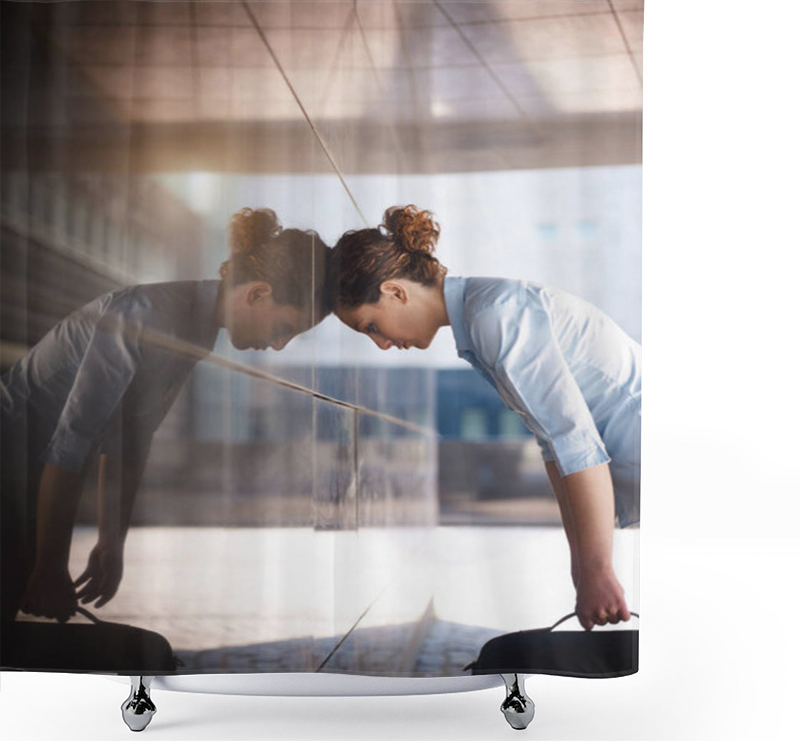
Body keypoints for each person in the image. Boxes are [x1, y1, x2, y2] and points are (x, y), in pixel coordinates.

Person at [1, 208, 332, 625]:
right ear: (257, 294)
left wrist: (112, 541)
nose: (280, 345)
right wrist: (51, 565)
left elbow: (131, 439)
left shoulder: (197, 326)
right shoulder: (145, 314)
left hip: (28, 473)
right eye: (285, 327)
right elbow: (72, 441)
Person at [331, 205, 640, 631]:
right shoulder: (482, 317)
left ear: (395, 292)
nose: (381, 344)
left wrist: (599, 569)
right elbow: (555, 448)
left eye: (371, 326)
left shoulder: (494, 314)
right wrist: (584, 567)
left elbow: (575, 442)